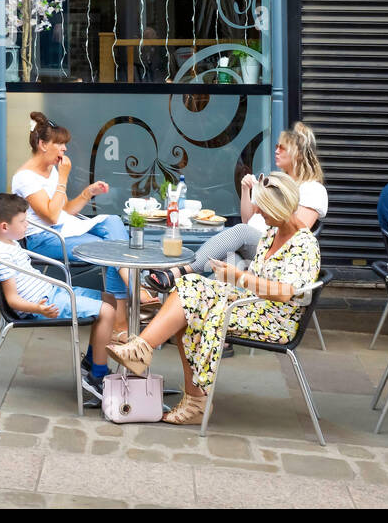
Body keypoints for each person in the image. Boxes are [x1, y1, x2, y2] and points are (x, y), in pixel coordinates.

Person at [108, 172, 320, 424]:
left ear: (279, 208)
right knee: (189, 285)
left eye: (263, 209)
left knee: (192, 308)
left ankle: (191, 399)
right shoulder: (272, 234)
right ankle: (142, 351)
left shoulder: (304, 244)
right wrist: (231, 279)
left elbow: (286, 293)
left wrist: (238, 277)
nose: (259, 214)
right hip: (252, 305)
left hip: (274, 320)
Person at [11, 112, 132, 337]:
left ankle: (124, 307)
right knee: (112, 248)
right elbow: (50, 216)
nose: (64, 149)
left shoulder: (52, 170)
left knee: (114, 223)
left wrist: (88, 193)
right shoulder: (24, 177)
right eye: (60, 144)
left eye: (64, 144)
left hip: (66, 229)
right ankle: (129, 301)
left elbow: (64, 211)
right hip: (43, 239)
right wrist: (64, 178)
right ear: (42, 144)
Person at [0, 193, 113, 395]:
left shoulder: (11, 243)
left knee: (110, 299)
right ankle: (97, 376)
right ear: (4, 227)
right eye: (22, 221)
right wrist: (38, 309)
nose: (27, 225)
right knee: (107, 311)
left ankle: (90, 362)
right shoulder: (2, 253)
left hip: (52, 293)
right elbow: (12, 300)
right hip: (43, 304)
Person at [183, 121, 327, 275]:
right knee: (229, 267)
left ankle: (182, 271)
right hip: (251, 246)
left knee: (241, 232)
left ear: (298, 153)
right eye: (276, 147)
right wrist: (246, 190)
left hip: (275, 249)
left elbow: (297, 234)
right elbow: (247, 220)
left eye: (282, 148)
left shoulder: (313, 189)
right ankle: (186, 291)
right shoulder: (275, 181)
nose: (276, 151)